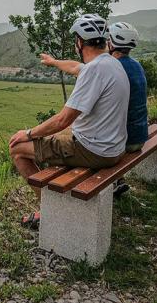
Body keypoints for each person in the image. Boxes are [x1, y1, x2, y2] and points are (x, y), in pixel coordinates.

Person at [9, 13, 130, 229]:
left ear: (80, 42)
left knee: (18, 149)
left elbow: (63, 120)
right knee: (52, 139)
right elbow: (76, 67)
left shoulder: (94, 71)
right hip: (114, 147)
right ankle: (56, 197)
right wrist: (54, 62)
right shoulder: (110, 63)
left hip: (95, 151)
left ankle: (48, 210)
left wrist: (28, 133)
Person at [41, 21, 148, 196]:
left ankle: (61, 192)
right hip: (139, 134)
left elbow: (80, 69)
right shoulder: (132, 65)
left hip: (124, 141)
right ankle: (117, 181)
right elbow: (77, 67)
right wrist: (54, 62)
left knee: (63, 136)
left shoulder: (111, 67)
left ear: (111, 43)